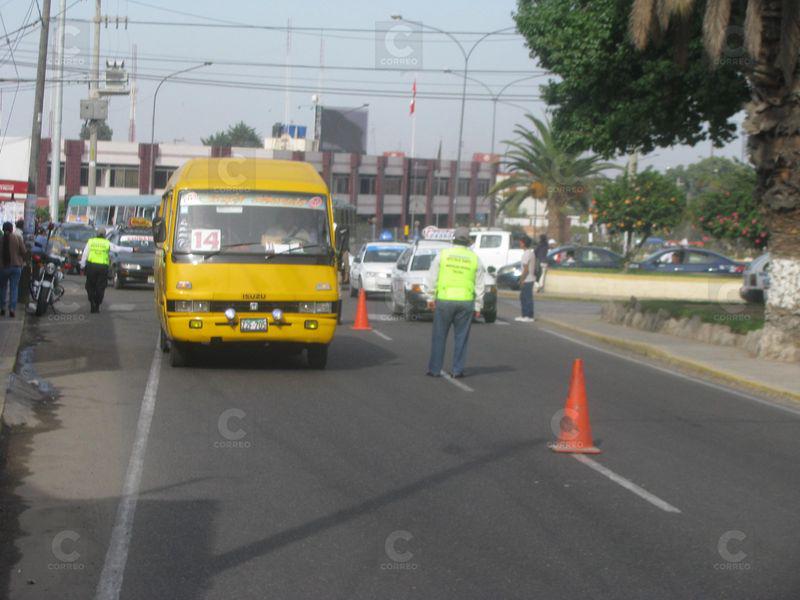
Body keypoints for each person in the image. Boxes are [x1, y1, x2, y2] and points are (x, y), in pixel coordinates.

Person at [425, 227, 486, 378]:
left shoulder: (443, 255)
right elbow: (480, 284)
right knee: (461, 338)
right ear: (468, 241)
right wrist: (478, 305)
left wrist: (430, 297)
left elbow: (432, 277)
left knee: (439, 336)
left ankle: (434, 369)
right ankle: (457, 370)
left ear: (453, 239)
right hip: (465, 302)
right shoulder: (475, 259)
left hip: (445, 299)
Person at [80, 227, 133, 313]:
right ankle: (97, 304)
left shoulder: (91, 241)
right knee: (100, 287)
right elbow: (118, 248)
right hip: (103, 268)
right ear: (104, 235)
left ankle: (92, 301)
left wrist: (82, 265)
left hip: (91, 267)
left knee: (90, 286)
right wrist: (131, 249)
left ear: (97, 234)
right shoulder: (107, 243)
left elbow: (85, 254)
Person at [0, 221, 27, 317]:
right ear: (12, 229)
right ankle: (12, 309)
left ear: (3, 230)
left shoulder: (1, 239)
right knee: (14, 288)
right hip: (16, 267)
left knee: (2, 288)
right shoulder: (18, 238)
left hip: (3, 268)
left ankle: (2, 308)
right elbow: (24, 251)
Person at [515, 236, 536, 323]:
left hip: (527, 279)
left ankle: (528, 315)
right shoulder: (530, 253)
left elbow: (526, 268)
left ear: (523, 243)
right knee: (523, 297)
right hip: (529, 279)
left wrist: (521, 279)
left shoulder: (527, 254)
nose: (519, 244)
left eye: (520, 242)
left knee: (526, 298)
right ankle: (524, 315)